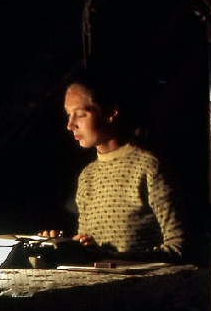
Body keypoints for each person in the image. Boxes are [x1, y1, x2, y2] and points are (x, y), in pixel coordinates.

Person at [45, 65, 190, 263]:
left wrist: (114, 259)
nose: (70, 125)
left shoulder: (148, 167)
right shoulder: (88, 176)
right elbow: (90, 249)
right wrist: (64, 245)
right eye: (68, 114)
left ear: (110, 113)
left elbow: (179, 248)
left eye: (80, 114)